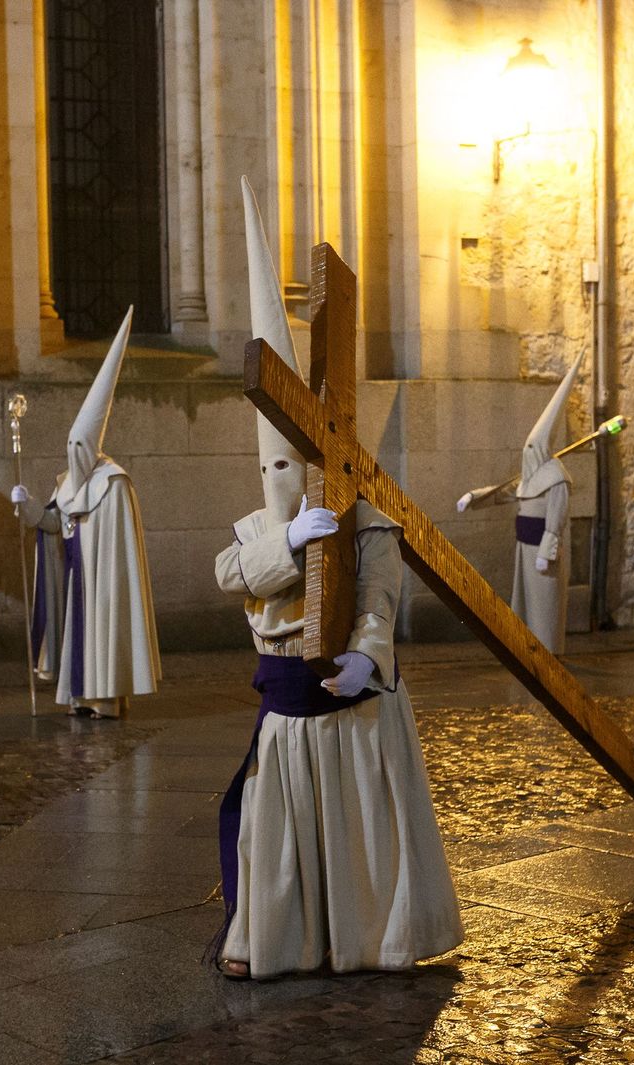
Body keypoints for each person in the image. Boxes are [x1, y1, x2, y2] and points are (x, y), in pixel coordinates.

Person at [211, 178, 461, 979]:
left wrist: (368, 655)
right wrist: (287, 539)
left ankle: (368, 939)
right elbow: (228, 574)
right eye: (273, 462)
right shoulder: (259, 528)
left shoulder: (370, 515)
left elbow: (381, 594)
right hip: (287, 710)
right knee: (277, 835)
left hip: (352, 704)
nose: (285, 473)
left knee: (359, 832)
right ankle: (279, 940)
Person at [12, 307, 161, 718]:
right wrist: (24, 505)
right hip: (77, 574)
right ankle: (79, 697)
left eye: (81, 447)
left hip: (103, 581)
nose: (73, 454)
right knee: (78, 637)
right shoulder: (66, 484)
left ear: (92, 446)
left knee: (102, 634)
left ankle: (106, 700)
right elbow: (53, 526)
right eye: (70, 447)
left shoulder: (114, 483)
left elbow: (119, 551)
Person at [457, 352, 584, 655]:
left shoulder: (556, 477)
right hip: (523, 546)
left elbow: (556, 517)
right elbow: (504, 492)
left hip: (542, 549)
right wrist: (473, 498)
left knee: (545, 600)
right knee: (526, 599)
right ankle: (528, 647)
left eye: (531, 448)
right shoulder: (531, 475)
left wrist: (547, 550)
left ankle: (549, 650)